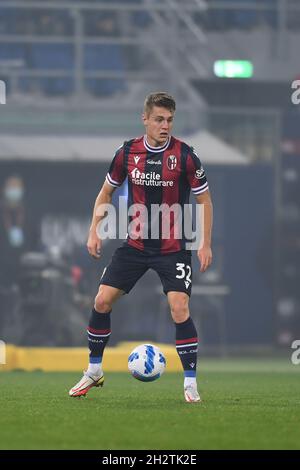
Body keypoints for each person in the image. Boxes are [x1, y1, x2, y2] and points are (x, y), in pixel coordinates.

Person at [69, 92, 213, 402]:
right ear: (145, 119)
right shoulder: (126, 153)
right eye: (159, 120)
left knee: (179, 307)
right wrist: (94, 230)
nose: (165, 126)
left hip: (173, 247)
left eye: (170, 120)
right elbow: (105, 193)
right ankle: (94, 370)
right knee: (102, 301)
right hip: (134, 245)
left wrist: (204, 243)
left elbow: (204, 200)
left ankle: (190, 383)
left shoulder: (186, 156)